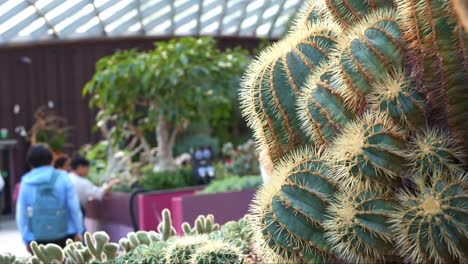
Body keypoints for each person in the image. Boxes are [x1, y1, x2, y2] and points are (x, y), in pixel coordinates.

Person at [16, 144, 83, 251]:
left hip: (37, 237)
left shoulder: (26, 181)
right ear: (52, 160)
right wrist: (78, 230)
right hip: (65, 233)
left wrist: (26, 238)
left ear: (30, 162)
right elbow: (74, 206)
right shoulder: (63, 177)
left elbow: (21, 213)